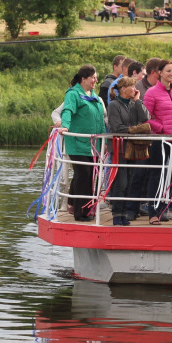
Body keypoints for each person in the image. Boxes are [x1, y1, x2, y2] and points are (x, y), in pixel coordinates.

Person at [58, 65, 106, 221]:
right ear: (83, 79)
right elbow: (68, 111)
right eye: (93, 77)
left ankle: (85, 208)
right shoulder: (73, 94)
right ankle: (80, 212)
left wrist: (104, 138)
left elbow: (100, 120)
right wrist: (65, 125)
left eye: (96, 77)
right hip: (78, 143)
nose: (95, 80)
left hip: (94, 145)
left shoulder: (94, 96)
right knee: (83, 173)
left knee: (91, 175)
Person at [144, 60, 172, 224]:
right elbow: (146, 117)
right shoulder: (151, 92)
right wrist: (161, 127)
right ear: (159, 72)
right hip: (160, 140)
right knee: (157, 175)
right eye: (168, 71)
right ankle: (153, 213)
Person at [106, 76, 151, 225]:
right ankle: (117, 214)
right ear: (123, 89)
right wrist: (136, 129)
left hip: (132, 148)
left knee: (130, 182)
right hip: (119, 149)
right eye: (132, 86)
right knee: (121, 182)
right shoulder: (113, 105)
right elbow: (117, 127)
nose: (135, 89)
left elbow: (145, 117)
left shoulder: (133, 103)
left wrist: (138, 101)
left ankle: (123, 214)